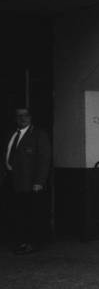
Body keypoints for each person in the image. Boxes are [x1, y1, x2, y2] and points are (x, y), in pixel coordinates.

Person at [1, 107, 51, 254]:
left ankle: (32, 243)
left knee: (30, 213)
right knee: (16, 212)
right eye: (19, 116)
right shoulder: (10, 134)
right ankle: (20, 241)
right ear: (15, 118)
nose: (22, 118)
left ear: (30, 117)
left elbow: (44, 159)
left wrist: (39, 182)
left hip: (29, 182)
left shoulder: (38, 135)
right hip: (10, 179)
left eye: (25, 115)